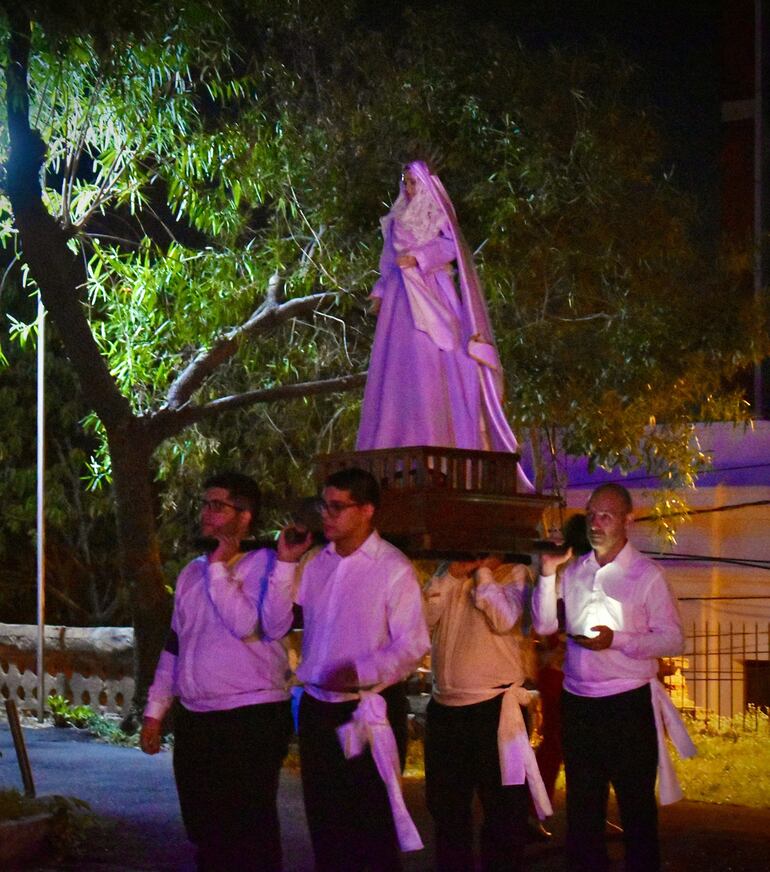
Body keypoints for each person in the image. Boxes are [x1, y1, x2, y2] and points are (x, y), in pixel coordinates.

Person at [532, 484, 695, 872]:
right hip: (579, 703)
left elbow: (674, 639)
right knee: (582, 812)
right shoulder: (573, 572)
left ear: (627, 520)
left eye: (605, 515)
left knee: (636, 809)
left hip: (627, 704)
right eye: (590, 515)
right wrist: (546, 575)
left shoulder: (646, 575)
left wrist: (617, 640)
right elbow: (543, 624)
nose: (596, 523)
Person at [275, 467, 430, 872]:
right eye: (323, 505)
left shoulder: (393, 568)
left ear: (366, 510)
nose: (326, 515)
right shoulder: (315, 563)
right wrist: (285, 565)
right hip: (316, 709)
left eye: (336, 507)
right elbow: (276, 624)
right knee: (325, 828)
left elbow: (413, 644)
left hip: (367, 709)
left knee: (371, 830)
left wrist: (360, 670)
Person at [140, 472, 295, 872]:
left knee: (248, 829)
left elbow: (247, 626)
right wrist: (156, 710)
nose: (206, 513)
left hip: (250, 716)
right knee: (204, 828)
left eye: (217, 505)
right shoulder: (193, 571)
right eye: (205, 503)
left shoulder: (268, 565)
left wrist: (221, 570)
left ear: (244, 516)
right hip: (197, 717)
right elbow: (176, 644)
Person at [356, 160, 532, 492]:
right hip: (399, 297)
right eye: (405, 183)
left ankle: (439, 441)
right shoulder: (395, 219)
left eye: (413, 183)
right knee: (397, 367)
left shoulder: (434, 212)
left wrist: (421, 258)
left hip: (431, 290)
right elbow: (385, 260)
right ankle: (393, 440)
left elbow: (450, 246)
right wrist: (380, 290)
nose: (408, 189)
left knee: (436, 358)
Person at [423, 556, 552, 871]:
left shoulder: (516, 573)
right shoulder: (447, 574)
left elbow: (503, 618)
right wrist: (451, 574)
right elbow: (419, 621)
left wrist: (483, 571)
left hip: (495, 711)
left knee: (504, 814)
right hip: (446, 710)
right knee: (448, 812)